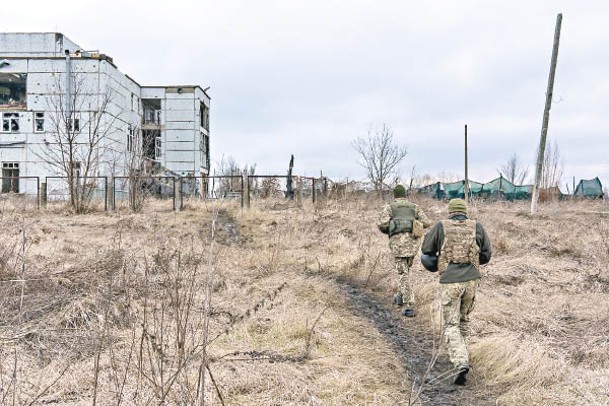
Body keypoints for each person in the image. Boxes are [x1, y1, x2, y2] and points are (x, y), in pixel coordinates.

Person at [420, 198, 492, 386]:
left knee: (451, 324)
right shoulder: (477, 226)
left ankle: (460, 362)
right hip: (471, 281)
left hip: (451, 281)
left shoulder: (440, 226)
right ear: (465, 211)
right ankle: (464, 356)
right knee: (464, 320)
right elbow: (486, 255)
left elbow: (426, 250)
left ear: (450, 212)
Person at [378, 185, 431, 317]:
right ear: (405, 195)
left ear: (395, 195)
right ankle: (400, 296)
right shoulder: (414, 207)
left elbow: (382, 224)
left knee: (402, 273)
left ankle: (410, 304)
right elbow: (426, 222)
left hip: (398, 245)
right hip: (413, 244)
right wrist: (411, 224)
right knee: (405, 271)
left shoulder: (391, 207)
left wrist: (393, 227)